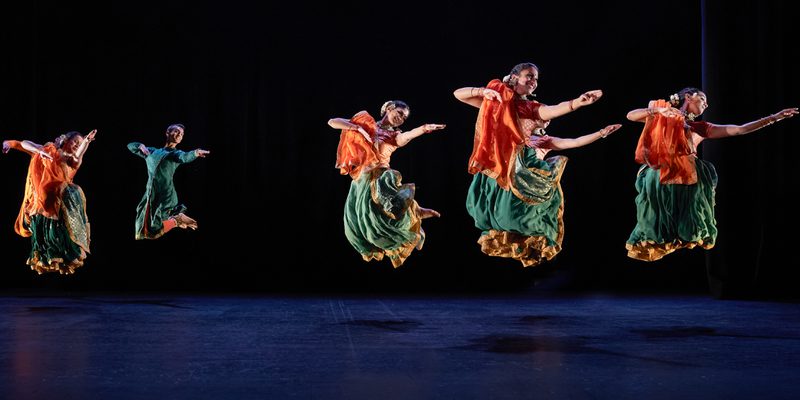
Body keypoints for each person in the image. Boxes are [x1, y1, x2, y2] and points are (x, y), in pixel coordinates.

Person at [454, 62, 612, 267]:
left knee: (514, 215)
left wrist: (578, 103)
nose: (534, 81)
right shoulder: (498, 103)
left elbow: (557, 115)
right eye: (529, 76)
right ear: (513, 77)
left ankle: (529, 242)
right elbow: (459, 94)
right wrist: (485, 92)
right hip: (499, 163)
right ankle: (513, 239)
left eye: (536, 78)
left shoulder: (532, 110)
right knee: (492, 212)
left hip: (521, 167)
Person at [625, 87, 798, 261]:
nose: (706, 104)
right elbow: (631, 116)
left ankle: (679, 233)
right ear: (688, 97)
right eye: (702, 98)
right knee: (656, 222)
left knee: (688, 225)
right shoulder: (661, 115)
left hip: (686, 179)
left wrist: (773, 118)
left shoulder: (698, 128)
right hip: (660, 176)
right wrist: (657, 110)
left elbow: (739, 130)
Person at [328, 100, 445, 267]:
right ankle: (414, 210)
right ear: (389, 108)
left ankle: (414, 211)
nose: (401, 118)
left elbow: (407, 135)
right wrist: (357, 128)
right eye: (399, 113)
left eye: (404, 118)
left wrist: (424, 129)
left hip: (380, 175)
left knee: (387, 182)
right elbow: (332, 122)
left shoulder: (393, 136)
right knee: (358, 226)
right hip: (360, 180)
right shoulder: (365, 124)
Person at [3, 130, 96, 274]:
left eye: (79, 143)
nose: (77, 145)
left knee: (59, 237)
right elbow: (23, 144)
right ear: (66, 140)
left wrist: (86, 142)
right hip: (42, 203)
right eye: (75, 142)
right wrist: (12, 144)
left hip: (58, 202)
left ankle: (65, 257)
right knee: (44, 236)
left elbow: (80, 153)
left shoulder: (72, 159)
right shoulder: (47, 150)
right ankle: (45, 257)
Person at [127, 124, 209, 240]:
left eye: (181, 134)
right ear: (168, 133)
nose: (179, 134)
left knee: (154, 229)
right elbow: (130, 146)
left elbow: (185, 157)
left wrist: (195, 153)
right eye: (176, 131)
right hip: (151, 194)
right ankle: (177, 219)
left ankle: (176, 220)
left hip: (165, 195)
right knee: (145, 230)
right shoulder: (151, 152)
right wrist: (140, 146)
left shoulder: (175, 154)